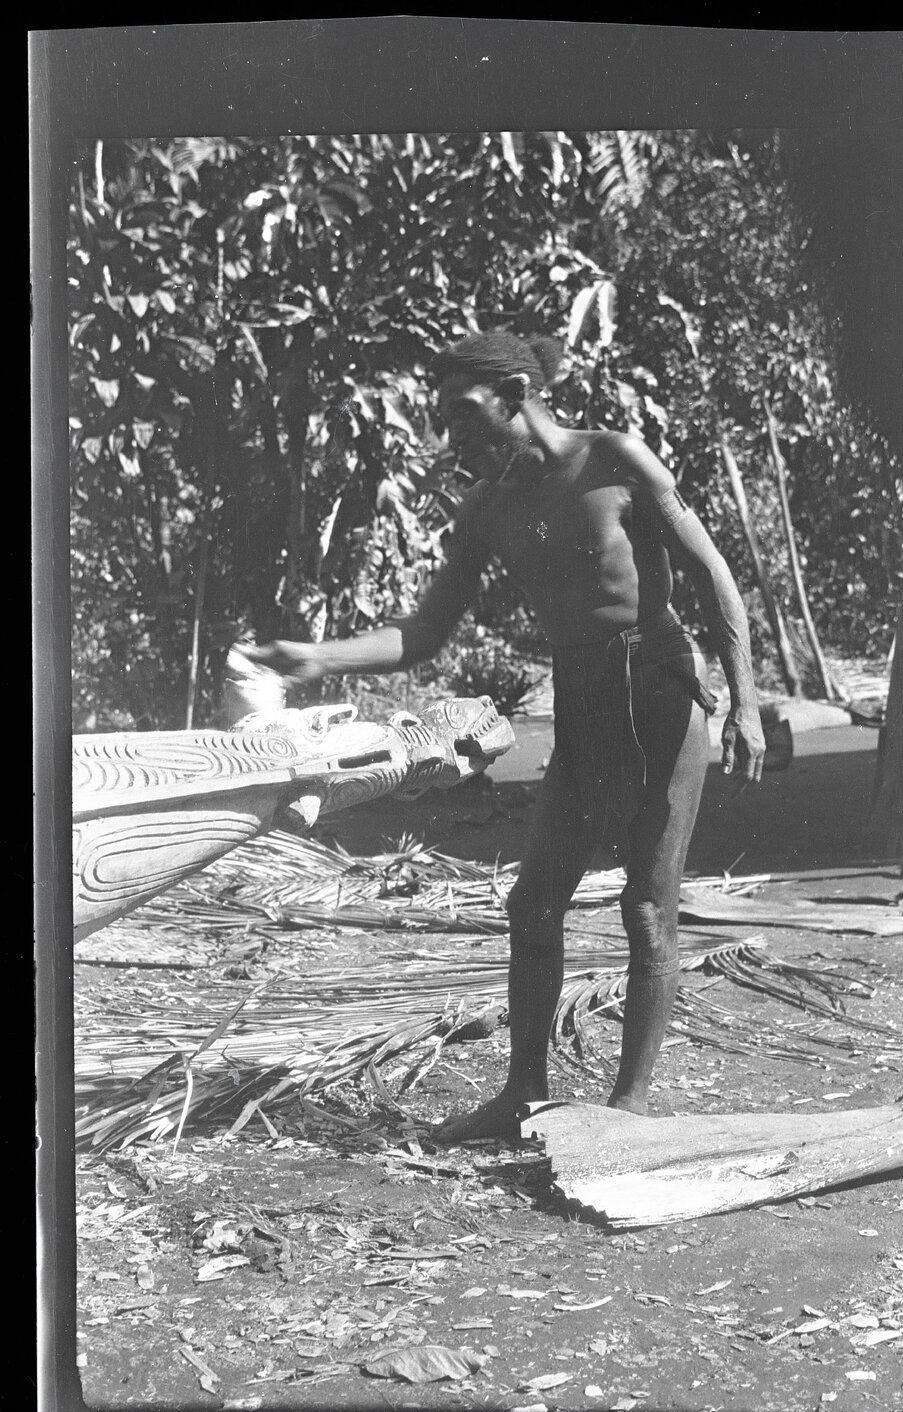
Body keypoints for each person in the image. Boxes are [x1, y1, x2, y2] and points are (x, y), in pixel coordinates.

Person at [238, 331, 765, 1140]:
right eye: (445, 421)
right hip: (582, 699)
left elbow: (711, 571)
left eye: (465, 413)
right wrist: (317, 656)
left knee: (649, 908)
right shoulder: (486, 510)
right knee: (534, 901)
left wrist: (746, 701)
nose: (455, 437)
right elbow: (423, 635)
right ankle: (521, 1091)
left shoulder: (613, 459)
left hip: (658, 688)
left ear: (517, 392)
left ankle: (629, 1109)